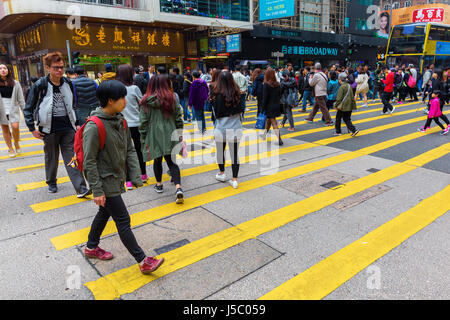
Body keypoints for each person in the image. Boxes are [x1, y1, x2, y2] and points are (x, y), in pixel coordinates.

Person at [83, 79, 164, 274]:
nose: (125, 101)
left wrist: (136, 176)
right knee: (123, 219)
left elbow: (129, 149)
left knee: (104, 213)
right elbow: (89, 161)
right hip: (105, 180)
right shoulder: (94, 126)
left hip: (115, 177)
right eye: (122, 98)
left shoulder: (121, 121)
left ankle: (91, 247)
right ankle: (143, 260)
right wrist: (97, 190)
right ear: (110, 101)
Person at [23, 51, 91, 197]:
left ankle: (81, 188)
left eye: (61, 67)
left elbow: (74, 104)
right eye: (56, 67)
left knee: (72, 157)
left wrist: (77, 122)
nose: (60, 70)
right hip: (48, 128)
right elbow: (28, 107)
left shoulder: (67, 83)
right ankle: (51, 182)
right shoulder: (40, 84)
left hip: (68, 127)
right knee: (51, 157)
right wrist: (31, 128)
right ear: (47, 67)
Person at [139, 75, 184, 203]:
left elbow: (143, 123)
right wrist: (179, 132)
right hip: (170, 132)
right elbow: (178, 118)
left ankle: (159, 185)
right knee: (171, 162)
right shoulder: (171, 98)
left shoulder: (145, 101)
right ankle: (178, 188)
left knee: (157, 160)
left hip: (153, 134)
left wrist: (143, 137)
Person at [115, 64, 147, 189]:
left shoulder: (116, 88)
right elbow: (142, 104)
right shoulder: (134, 88)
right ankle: (143, 174)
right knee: (139, 149)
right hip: (136, 124)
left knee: (124, 152)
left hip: (121, 124)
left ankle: (128, 181)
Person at [210, 71, 244, 189]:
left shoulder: (216, 94)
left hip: (221, 128)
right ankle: (234, 180)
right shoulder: (237, 93)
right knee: (234, 154)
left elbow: (215, 114)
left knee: (220, 151)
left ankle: (222, 173)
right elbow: (241, 110)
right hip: (235, 127)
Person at [0, 64, 26, 157]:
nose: (3, 70)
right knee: (5, 129)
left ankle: (16, 143)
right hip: (1, 110)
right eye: (0, 68)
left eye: (4, 68)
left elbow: (21, 99)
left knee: (15, 127)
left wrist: (25, 111)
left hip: (13, 109)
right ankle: (10, 148)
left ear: (8, 70)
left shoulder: (15, 83)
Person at [261, 68, 283, 146]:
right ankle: (264, 135)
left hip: (269, 106)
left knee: (273, 122)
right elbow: (280, 95)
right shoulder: (277, 84)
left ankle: (279, 139)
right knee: (269, 121)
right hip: (276, 105)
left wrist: (262, 109)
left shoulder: (266, 85)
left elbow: (265, 98)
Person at [334, 73, 359, 137]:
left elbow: (339, 98)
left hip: (343, 106)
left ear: (340, 80)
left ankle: (338, 131)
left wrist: (336, 105)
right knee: (347, 118)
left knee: (338, 118)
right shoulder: (349, 85)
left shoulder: (342, 87)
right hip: (350, 105)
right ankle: (353, 130)